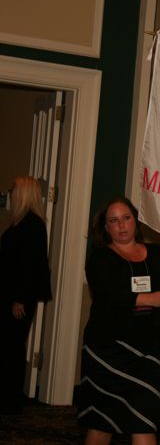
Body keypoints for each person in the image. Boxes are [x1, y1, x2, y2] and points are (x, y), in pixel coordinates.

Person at [77, 196, 160, 445]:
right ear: (106, 227)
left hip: (148, 351)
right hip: (107, 351)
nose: (121, 225)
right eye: (114, 221)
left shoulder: (158, 253)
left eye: (126, 218)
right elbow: (108, 295)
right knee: (102, 423)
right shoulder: (100, 258)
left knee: (145, 420)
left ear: (135, 221)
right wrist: (151, 299)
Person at [0, 176, 52, 414]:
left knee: (12, 346)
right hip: (10, 295)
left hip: (18, 298)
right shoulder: (21, 222)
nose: (10, 193)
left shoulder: (32, 225)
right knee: (8, 345)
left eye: (13, 190)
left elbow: (30, 266)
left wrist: (20, 298)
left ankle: (11, 400)